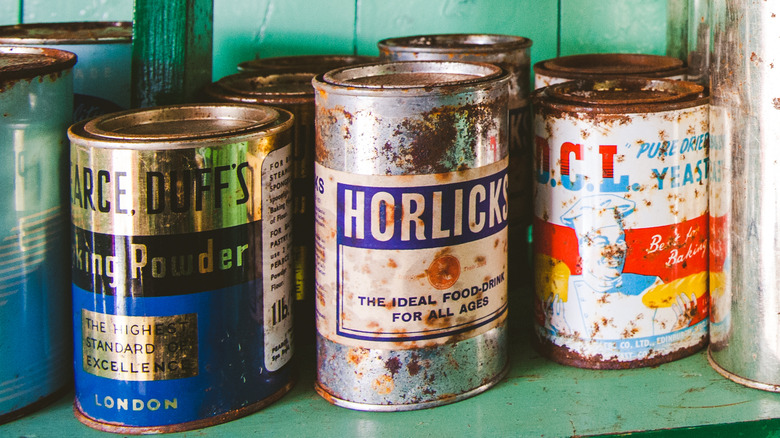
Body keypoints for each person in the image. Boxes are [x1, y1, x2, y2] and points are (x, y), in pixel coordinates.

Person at [543, 194, 697, 342]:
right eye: (601, 242)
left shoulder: (650, 285)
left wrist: (679, 327)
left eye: (620, 240)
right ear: (583, 249)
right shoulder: (563, 292)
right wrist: (562, 332)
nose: (614, 251)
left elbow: (668, 337)